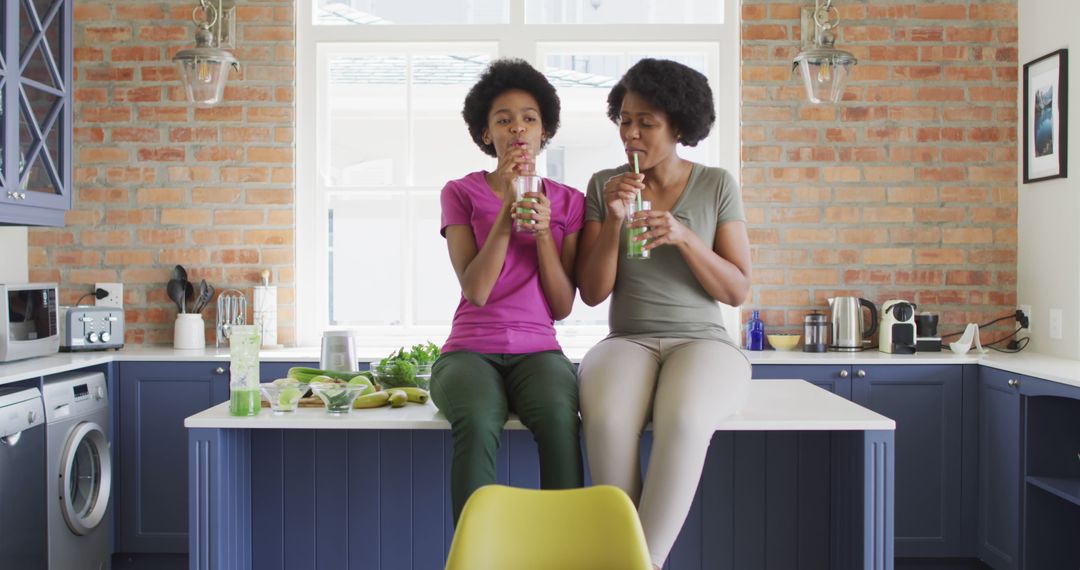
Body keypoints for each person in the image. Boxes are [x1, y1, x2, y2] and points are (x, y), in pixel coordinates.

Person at [575, 58, 753, 569]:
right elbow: (592, 291)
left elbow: (737, 290)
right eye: (625, 120)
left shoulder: (716, 184)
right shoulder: (604, 183)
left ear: (679, 125)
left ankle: (641, 564)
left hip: (702, 341)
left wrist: (683, 236)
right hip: (626, 338)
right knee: (606, 420)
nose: (631, 133)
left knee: (686, 418)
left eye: (646, 122)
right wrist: (611, 220)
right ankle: (624, 557)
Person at [431, 58, 585, 523]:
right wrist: (506, 213)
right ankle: (476, 552)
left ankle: (565, 553)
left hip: (539, 349)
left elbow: (562, 306)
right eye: (503, 119)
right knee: (478, 422)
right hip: (468, 351)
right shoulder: (460, 192)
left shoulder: (569, 202)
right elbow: (476, 289)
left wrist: (541, 232)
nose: (517, 127)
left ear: (544, 131)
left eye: (529, 118)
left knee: (561, 420)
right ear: (485, 134)